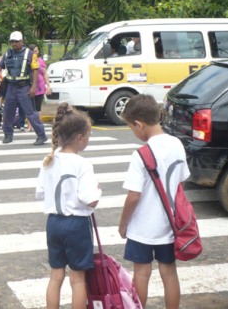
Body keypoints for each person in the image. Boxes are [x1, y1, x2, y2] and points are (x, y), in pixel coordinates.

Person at [118, 94, 187, 309]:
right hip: (169, 224)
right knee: (169, 272)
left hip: (143, 228)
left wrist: (123, 224)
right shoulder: (177, 144)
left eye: (131, 127)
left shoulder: (141, 154)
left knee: (142, 272)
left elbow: (134, 196)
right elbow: (180, 183)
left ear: (139, 124)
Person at [35, 103, 101, 309]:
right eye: (88, 135)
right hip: (76, 225)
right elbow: (90, 199)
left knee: (56, 276)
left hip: (54, 223)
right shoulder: (83, 164)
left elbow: (40, 193)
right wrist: (98, 191)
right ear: (80, 137)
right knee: (78, 279)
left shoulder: (49, 160)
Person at [0, 31, 47, 145]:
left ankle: (41, 135)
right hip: (11, 87)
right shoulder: (8, 54)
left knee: (30, 112)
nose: (14, 44)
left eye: (16, 41)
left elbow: (35, 70)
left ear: (22, 41)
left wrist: (33, 87)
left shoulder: (30, 54)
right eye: (12, 42)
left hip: (24, 86)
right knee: (7, 111)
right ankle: (8, 135)